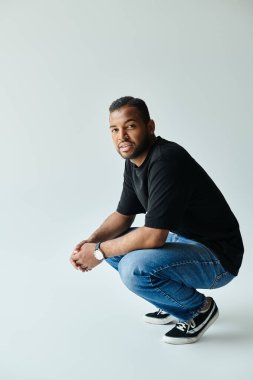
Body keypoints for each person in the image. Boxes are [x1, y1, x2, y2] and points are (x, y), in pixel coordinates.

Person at [70, 96, 244, 345]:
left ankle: (198, 310)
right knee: (115, 242)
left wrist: (97, 253)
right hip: (186, 243)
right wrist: (91, 242)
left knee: (133, 267)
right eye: (115, 130)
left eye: (130, 126)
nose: (122, 137)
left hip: (218, 258)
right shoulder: (134, 161)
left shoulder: (166, 159)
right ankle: (172, 301)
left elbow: (154, 237)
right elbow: (123, 215)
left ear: (150, 127)